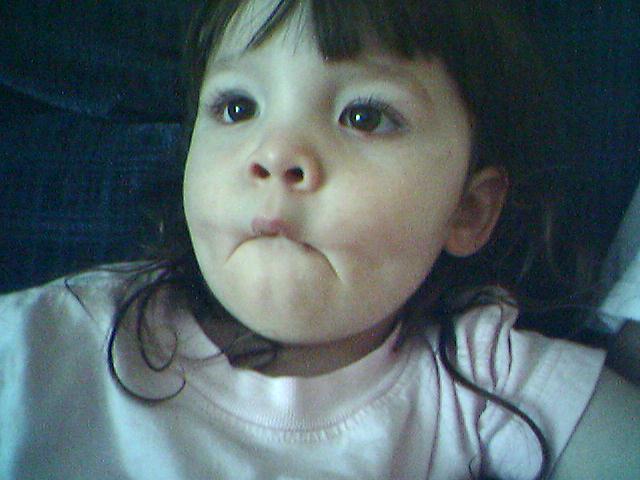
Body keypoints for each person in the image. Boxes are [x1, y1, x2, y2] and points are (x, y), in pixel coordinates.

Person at [1, 1, 638, 479]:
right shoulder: (47, 342)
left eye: (364, 116)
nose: (275, 153)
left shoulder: (483, 375)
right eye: (237, 107)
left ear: (467, 211)